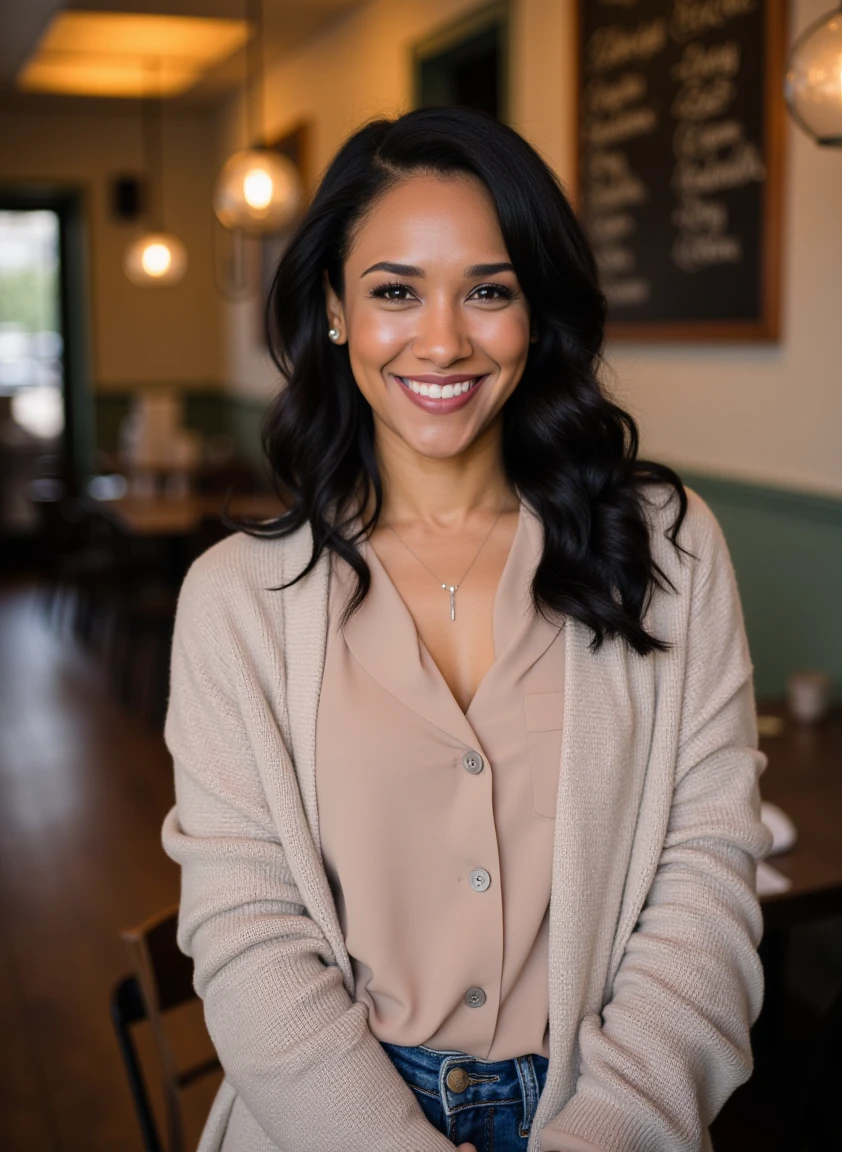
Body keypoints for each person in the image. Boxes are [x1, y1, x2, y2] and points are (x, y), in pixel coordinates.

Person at [162, 107, 772, 1152]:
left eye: (487, 290)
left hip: (607, 1108)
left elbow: (707, 867)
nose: (441, 340)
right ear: (335, 310)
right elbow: (244, 931)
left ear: (535, 311)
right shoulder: (234, 601)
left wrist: (607, 1131)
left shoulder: (665, 548)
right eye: (394, 290)